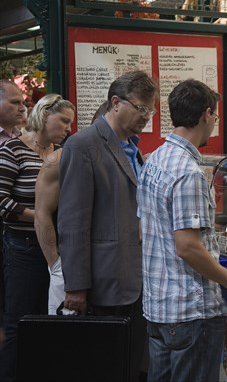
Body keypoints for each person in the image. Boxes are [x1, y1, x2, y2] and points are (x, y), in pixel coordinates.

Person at [137, 79, 227, 382]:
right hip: (189, 313)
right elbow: (188, 247)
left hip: (159, 308)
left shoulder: (154, 160)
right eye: (216, 117)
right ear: (206, 114)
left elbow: (147, 227)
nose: (214, 124)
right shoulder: (188, 171)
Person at [57, 71, 157, 382]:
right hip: (103, 282)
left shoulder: (133, 147)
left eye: (150, 111)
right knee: (102, 368)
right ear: (116, 102)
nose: (146, 117)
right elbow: (73, 221)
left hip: (137, 279)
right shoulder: (83, 145)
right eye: (141, 108)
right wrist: (75, 285)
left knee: (128, 366)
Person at [0, 93, 74, 382]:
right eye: (64, 120)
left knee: (48, 317)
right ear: (45, 115)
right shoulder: (13, 150)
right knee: (19, 319)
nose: (69, 127)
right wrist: (42, 216)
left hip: (55, 246)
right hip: (23, 246)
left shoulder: (60, 153)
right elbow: (2, 201)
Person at [34, 100, 110, 315]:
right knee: (65, 339)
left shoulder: (124, 157)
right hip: (67, 265)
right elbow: (42, 213)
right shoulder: (59, 158)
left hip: (106, 267)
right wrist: (55, 265)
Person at [0, 80, 27, 351]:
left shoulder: (23, 138)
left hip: (15, 238)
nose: (22, 107)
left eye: (22, 102)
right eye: (14, 102)